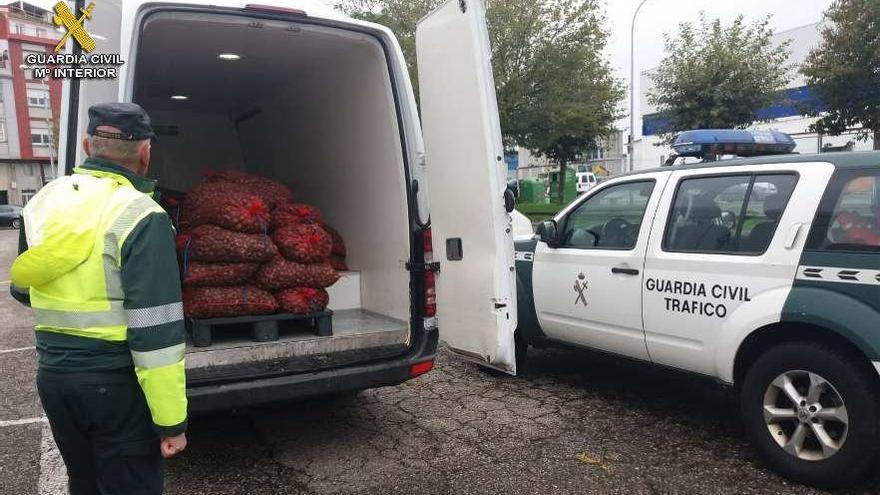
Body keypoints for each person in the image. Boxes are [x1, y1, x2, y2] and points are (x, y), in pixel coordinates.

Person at [10, 102, 187, 495]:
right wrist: (171, 421)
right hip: (114, 387)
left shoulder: (43, 200)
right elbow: (155, 334)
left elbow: (23, 288)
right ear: (145, 153)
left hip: (55, 380)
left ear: (88, 146)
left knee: (85, 483)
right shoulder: (142, 214)